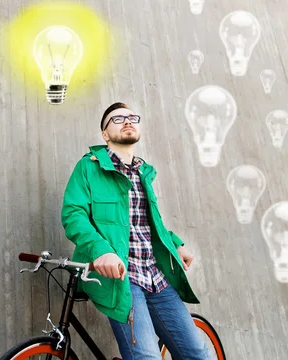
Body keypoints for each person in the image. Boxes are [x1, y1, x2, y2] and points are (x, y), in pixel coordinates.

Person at [60, 102, 213, 359]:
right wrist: (101, 251)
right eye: (117, 119)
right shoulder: (89, 167)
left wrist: (175, 243)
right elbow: (73, 215)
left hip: (156, 277)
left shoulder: (144, 172)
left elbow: (149, 223)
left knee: (198, 354)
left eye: (131, 117)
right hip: (123, 279)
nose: (127, 121)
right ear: (105, 134)